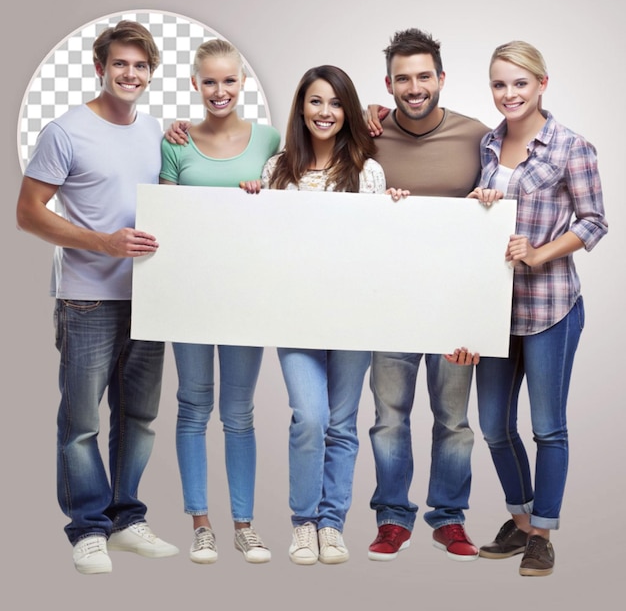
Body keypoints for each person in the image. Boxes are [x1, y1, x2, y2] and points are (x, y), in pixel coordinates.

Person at [15, 20, 179, 575]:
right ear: (100, 68)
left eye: (140, 66)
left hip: (150, 298)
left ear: (151, 73)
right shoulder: (66, 132)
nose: (130, 74)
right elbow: (28, 213)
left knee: (140, 418)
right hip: (87, 299)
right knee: (82, 421)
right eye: (120, 64)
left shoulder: (155, 130)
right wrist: (102, 243)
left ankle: (127, 518)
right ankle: (87, 527)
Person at [468, 40, 607, 577]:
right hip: (494, 311)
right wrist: (480, 204)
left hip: (551, 306)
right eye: (500, 84)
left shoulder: (572, 147)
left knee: (547, 427)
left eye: (520, 83)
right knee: (495, 426)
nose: (510, 94)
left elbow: (594, 220)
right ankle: (520, 521)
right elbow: (486, 221)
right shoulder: (486, 144)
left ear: (541, 84)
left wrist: (539, 253)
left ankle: (543, 534)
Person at [242, 64, 387, 565]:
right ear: (301, 108)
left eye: (335, 103)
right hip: (295, 316)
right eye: (316, 102)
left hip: (352, 317)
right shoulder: (277, 170)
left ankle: (332, 523)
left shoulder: (368, 172)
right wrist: (251, 205)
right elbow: (264, 247)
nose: (325, 112)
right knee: (310, 416)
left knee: (343, 424)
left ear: (347, 111)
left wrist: (394, 212)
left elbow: (374, 250)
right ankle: (303, 522)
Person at [364, 28, 488, 562]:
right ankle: (392, 517)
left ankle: (449, 518)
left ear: (441, 79)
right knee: (389, 416)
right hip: (388, 302)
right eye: (402, 78)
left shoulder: (478, 135)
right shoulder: (367, 133)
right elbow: (309, 149)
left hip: (455, 305)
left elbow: (506, 200)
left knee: (454, 420)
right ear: (388, 84)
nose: (414, 87)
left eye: (423, 76)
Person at [159, 38, 280, 565]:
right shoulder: (176, 143)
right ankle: (201, 525)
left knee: (239, 413)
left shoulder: (270, 140)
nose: (219, 90)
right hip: (187, 294)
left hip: (245, 297)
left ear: (243, 83)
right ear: (195, 84)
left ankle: (245, 527)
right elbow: (163, 218)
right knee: (192, 407)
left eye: (229, 80)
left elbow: (295, 201)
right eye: (209, 81)